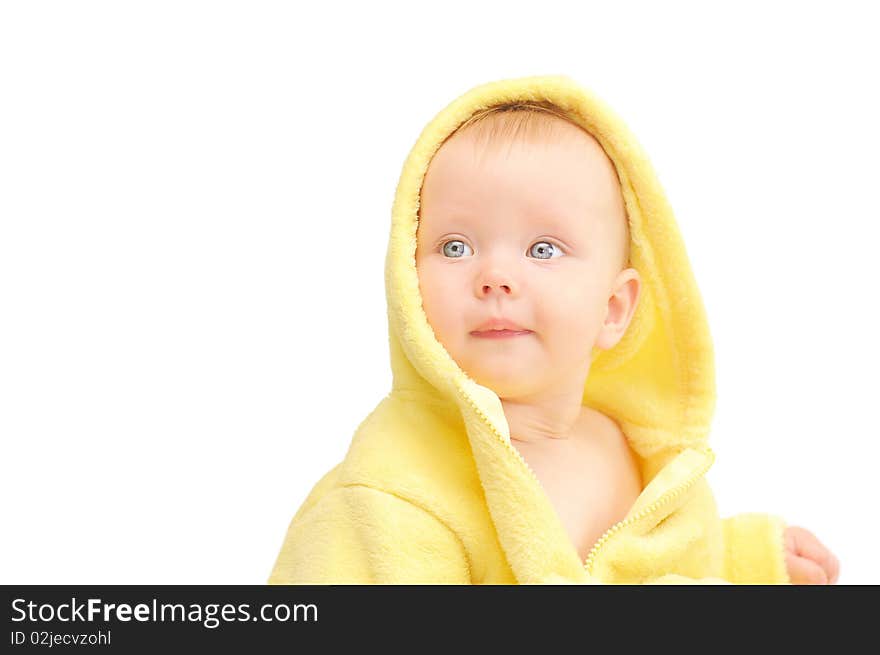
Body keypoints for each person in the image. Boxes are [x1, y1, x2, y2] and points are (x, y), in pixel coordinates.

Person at [267, 74, 840, 584]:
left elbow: (667, 558)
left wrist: (752, 563)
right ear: (407, 282)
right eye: (455, 246)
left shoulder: (635, 454)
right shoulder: (390, 497)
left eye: (543, 249)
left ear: (614, 310)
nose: (494, 277)